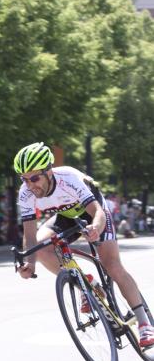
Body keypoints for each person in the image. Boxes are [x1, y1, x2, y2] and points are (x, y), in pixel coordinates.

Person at [14, 141, 154, 348]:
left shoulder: (68, 179)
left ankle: (144, 322)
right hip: (65, 215)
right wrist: (30, 264)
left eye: (34, 177)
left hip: (92, 212)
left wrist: (96, 228)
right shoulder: (25, 193)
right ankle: (85, 284)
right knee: (42, 248)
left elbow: (97, 212)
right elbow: (30, 234)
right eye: (24, 179)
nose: (30, 184)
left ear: (49, 172)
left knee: (112, 265)